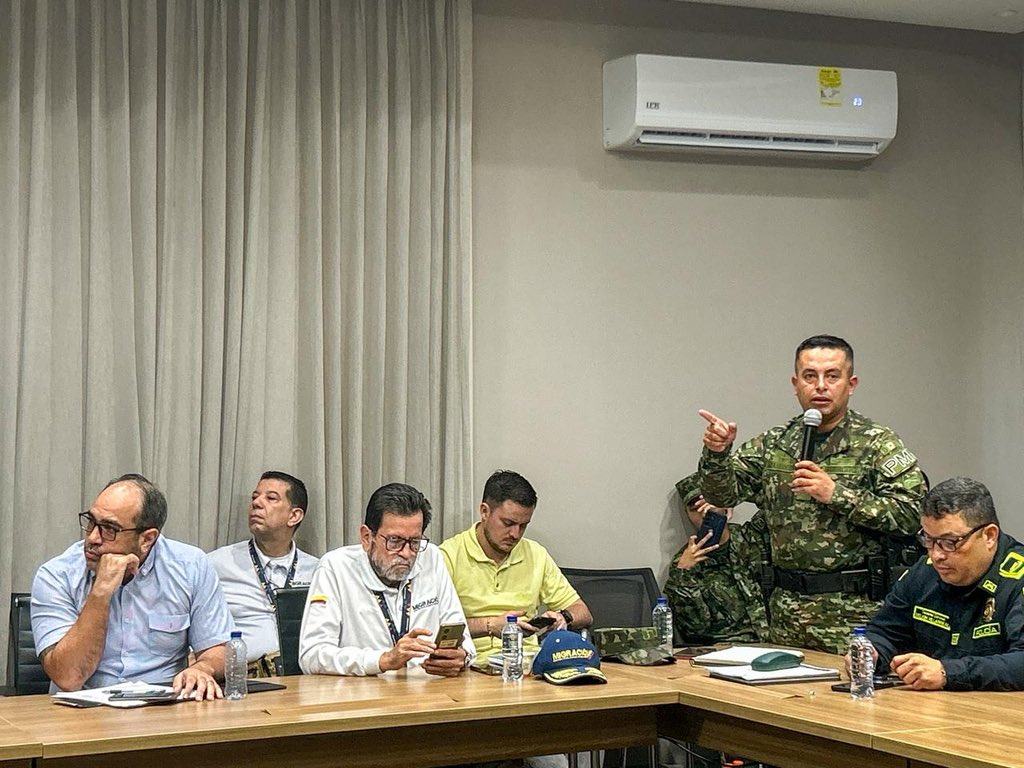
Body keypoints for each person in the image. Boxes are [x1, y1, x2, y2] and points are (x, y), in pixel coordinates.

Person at [697, 334, 926, 653]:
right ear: (795, 384)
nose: (821, 386)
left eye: (832, 376)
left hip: (855, 614)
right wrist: (717, 453)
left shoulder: (876, 444)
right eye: (810, 376)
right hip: (786, 612)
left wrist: (837, 494)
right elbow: (722, 495)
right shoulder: (775, 444)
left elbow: (911, 514)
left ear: (851, 383)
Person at [31, 473, 233, 698]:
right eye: (91, 522)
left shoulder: (191, 566)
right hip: (82, 710)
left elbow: (221, 648)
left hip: (164, 708)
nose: (93, 538)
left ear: (147, 539)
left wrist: (201, 668)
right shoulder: (56, 575)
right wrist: (101, 591)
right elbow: (69, 677)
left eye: (109, 529)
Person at [860, 477, 1024, 691]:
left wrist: (948, 672)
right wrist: (870, 653)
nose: (936, 555)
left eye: (950, 542)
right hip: (931, 712)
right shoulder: (924, 571)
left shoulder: (1017, 579)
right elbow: (885, 632)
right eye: (929, 540)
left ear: (989, 536)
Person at [298, 482, 473, 676]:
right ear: (367, 537)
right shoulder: (335, 568)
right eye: (395, 541)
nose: (407, 553)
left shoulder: (431, 557)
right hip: (363, 695)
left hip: (427, 692)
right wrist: (383, 660)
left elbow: (463, 638)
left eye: (414, 542)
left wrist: (461, 657)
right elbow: (312, 655)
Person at [440, 470, 593, 664]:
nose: (515, 534)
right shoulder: (448, 556)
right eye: (508, 523)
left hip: (527, 665)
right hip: (470, 666)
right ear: (485, 512)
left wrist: (564, 617)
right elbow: (435, 629)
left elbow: (583, 612)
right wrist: (490, 625)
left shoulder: (536, 554)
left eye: (523, 526)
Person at [208, 470, 319, 676]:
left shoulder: (318, 570)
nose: (257, 503)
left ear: (294, 516)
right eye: (255, 497)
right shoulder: (216, 564)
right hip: (242, 681)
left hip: (303, 680)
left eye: (271, 498)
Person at [664, 473, 769, 644]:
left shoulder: (753, 538)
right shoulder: (687, 562)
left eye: (708, 504)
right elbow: (694, 629)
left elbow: (784, 502)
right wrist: (683, 574)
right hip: (726, 648)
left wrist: (734, 497)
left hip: (776, 641)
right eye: (694, 508)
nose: (704, 513)